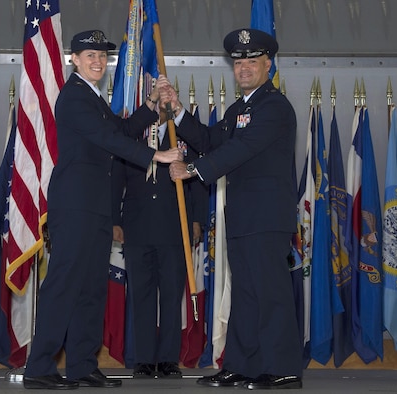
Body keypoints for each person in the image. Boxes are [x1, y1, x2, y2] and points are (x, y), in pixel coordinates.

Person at [22, 30, 182, 390]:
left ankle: (81, 364)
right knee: (64, 285)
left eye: (101, 56)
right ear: (74, 60)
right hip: (75, 206)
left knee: (92, 288)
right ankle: (40, 366)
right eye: (89, 55)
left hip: (95, 209)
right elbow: (109, 140)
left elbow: (122, 129)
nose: (97, 61)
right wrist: (155, 155)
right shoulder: (75, 97)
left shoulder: (93, 97)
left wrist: (151, 104)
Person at [161, 28, 303, 390]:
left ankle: (282, 367)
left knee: (269, 292)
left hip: (267, 217)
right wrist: (177, 111)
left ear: (267, 64)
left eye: (251, 62)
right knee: (245, 293)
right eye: (238, 62)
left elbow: (239, 151)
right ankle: (242, 364)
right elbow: (211, 140)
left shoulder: (275, 107)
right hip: (242, 216)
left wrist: (191, 170)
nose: (243, 68)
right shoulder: (241, 108)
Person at [111, 118, 207, 379]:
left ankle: (167, 359)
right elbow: (116, 179)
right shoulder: (131, 135)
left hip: (174, 227)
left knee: (171, 295)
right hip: (137, 226)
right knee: (140, 295)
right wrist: (115, 221)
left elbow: (197, 178)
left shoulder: (183, 135)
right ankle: (143, 359)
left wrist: (197, 219)